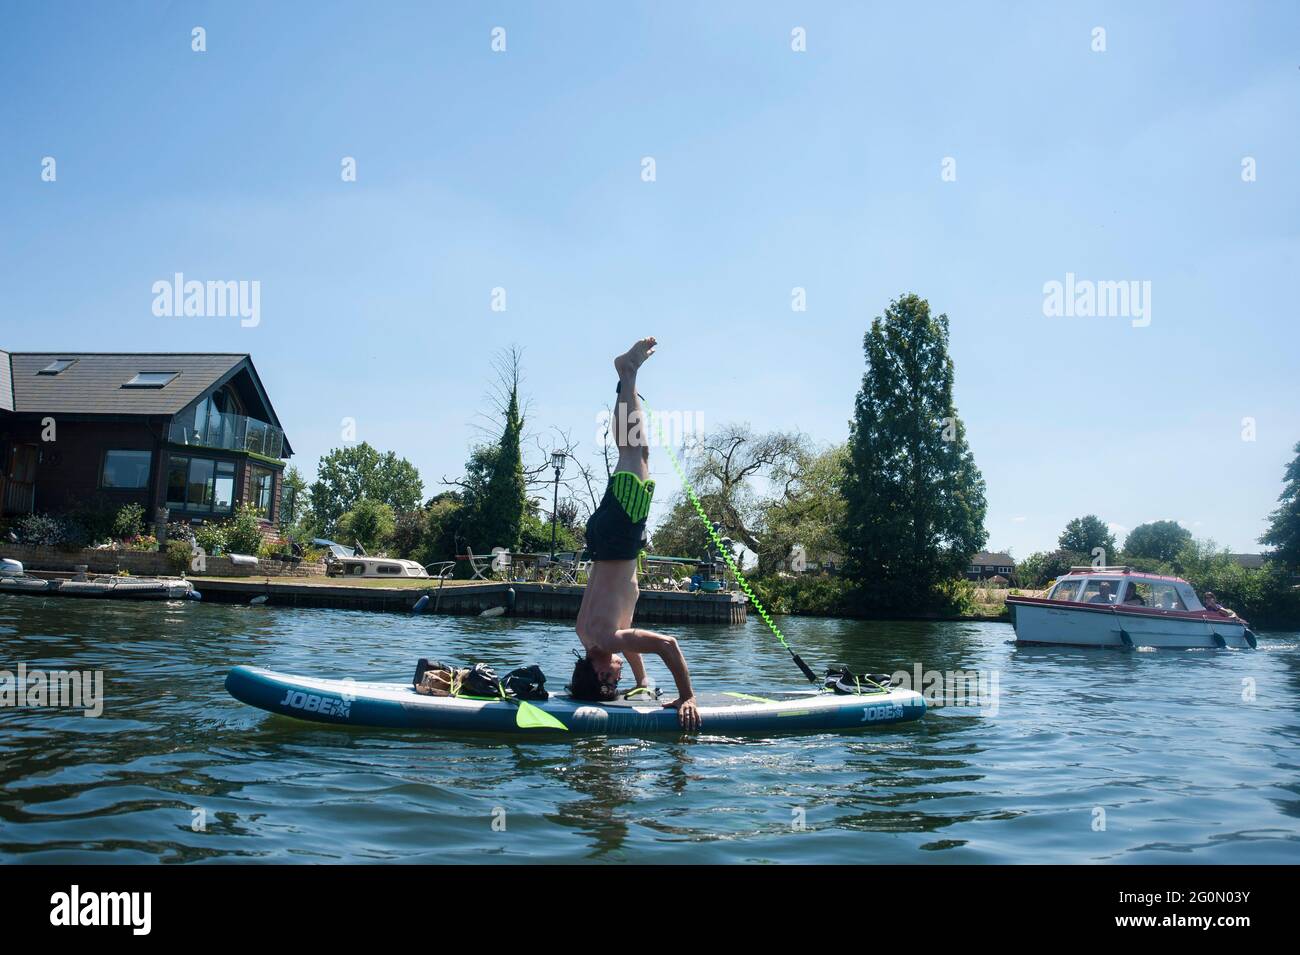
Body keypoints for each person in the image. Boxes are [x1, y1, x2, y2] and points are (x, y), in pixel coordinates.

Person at [571, 338, 701, 731]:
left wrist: (687, 695)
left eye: (609, 681)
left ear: (594, 671)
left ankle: (627, 374)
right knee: (630, 454)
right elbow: (624, 647)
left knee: (636, 453)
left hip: (619, 539)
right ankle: (626, 378)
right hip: (602, 540)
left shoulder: (608, 639)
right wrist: (644, 682)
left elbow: (668, 645)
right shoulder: (587, 633)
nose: (617, 678)